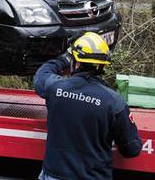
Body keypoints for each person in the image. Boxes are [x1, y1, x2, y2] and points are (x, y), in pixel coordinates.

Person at [34, 31, 142, 180]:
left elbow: (42, 75)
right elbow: (132, 149)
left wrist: (64, 58)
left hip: (54, 176)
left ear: (76, 62)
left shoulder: (55, 88)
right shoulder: (114, 102)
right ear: (102, 65)